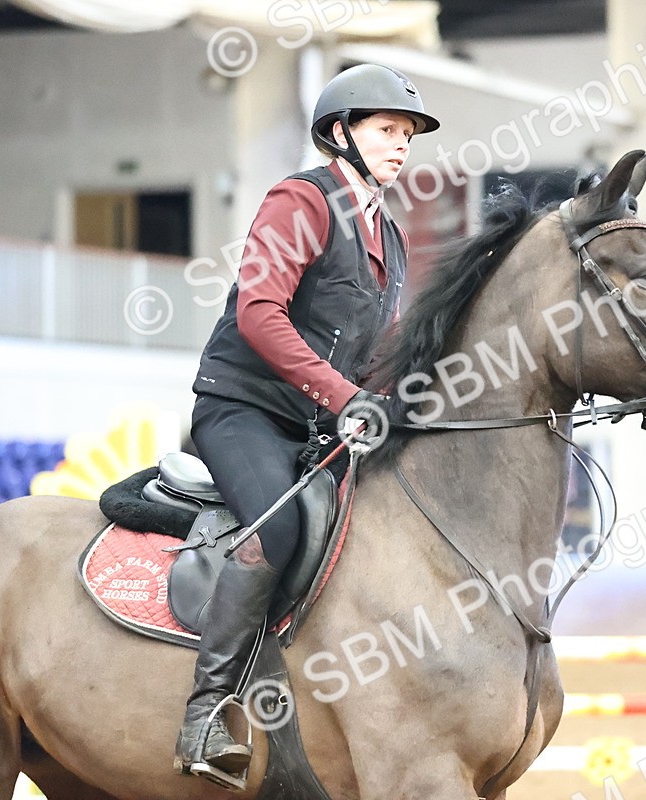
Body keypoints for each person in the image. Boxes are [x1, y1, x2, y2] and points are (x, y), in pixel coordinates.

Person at [174, 63, 440, 779]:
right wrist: (344, 397)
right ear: (339, 133)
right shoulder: (301, 202)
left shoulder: (389, 236)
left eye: (407, 134)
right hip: (241, 409)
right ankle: (207, 712)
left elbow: (374, 352)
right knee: (280, 528)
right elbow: (260, 314)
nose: (400, 145)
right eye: (386, 130)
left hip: (315, 425)